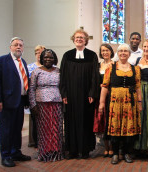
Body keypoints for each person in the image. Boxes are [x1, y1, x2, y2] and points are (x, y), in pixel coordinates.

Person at [98, 43, 142, 164]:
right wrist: (101, 103)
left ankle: (127, 153)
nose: (123, 53)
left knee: (129, 127)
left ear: (129, 54)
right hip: (115, 103)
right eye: (121, 51)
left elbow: (138, 87)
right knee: (115, 127)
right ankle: (116, 153)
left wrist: (139, 102)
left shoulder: (135, 69)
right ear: (117, 53)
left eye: (125, 51)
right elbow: (105, 87)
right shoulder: (110, 68)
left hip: (130, 104)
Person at [60, 29, 99, 159]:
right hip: (70, 95)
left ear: (86, 40)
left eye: (82, 37)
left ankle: (85, 149)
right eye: (77, 37)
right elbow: (63, 75)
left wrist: (92, 93)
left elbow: (95, 76)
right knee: (70, 121)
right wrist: (64, 93)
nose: (79, 39)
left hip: (86, 96)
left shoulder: (92, 55)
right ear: (73, 39)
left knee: (86, 122)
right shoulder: (67, 55)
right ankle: (72, 150)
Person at [0, 37, 31, 167]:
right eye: (16, 45)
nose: (18, 47)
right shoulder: (1, 61)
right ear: (10, 47)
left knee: (17, 128)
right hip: (5, 102)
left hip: (20, 101)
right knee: (6, 130)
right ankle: (5, 155)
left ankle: (15, 152)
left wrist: (26, 99)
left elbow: (25, 82)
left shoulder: (22, 61)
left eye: (21, 45)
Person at [29, 49, 63, 162]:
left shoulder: (58, 71)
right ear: (42, 58)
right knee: (44, 129)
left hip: (56, 102)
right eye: (46, 57)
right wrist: (33, 105)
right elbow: (32, 88)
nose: (48, 59)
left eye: (51, 57)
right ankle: (44, 152)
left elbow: (62, 86)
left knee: (56, 128)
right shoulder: (36, 71)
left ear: (55, 59)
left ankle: (56, 151)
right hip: (41, 104)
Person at [134, 39, 148, 152]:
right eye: (145, 46)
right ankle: (138, 146)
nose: (146, 49)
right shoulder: (138, 59)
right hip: (138, 90)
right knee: (139, 117)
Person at [93, 43, 114, 158]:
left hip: (111, 96)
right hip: (101, 97)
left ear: (111, 52)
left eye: (107, 50)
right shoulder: (98, 65)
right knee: (103, 122)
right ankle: (106, 147)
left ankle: (112, 147)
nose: (105, 52)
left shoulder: (115, 65)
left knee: (111, 121)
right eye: (103, 51)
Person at [27, 45, 45, 148]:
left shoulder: (53, 67)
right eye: (37, 53)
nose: (39, 55)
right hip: (34, 98)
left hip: (47, 99)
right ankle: (36, 143)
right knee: (35, 121)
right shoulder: (30, 67)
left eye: (41, 53)